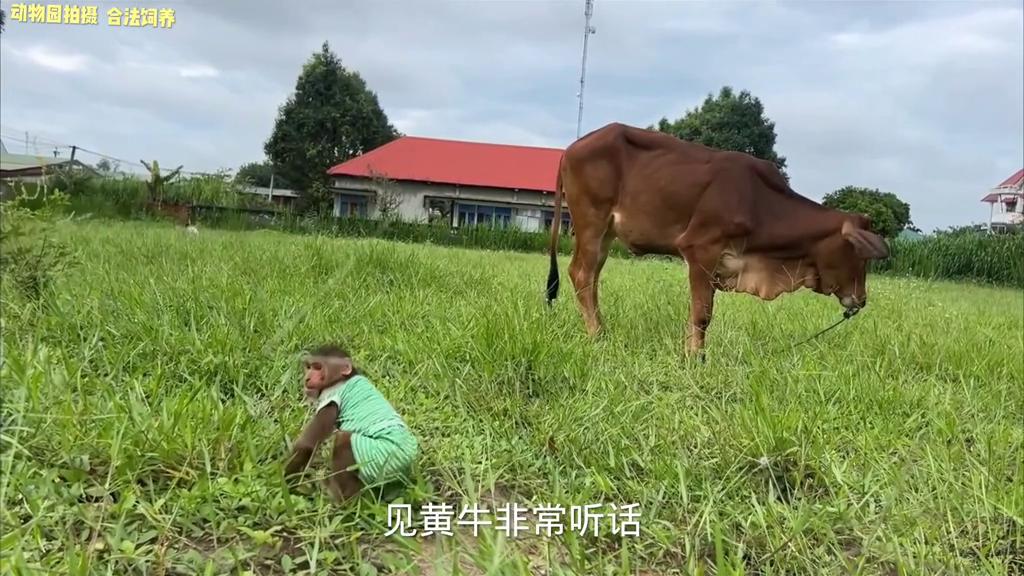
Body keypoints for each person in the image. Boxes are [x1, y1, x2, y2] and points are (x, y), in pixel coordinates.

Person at [284, 344, 418, 501]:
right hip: (405, 450)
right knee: (347, 446)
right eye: (308, 368)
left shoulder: (335, 392)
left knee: (344, 442)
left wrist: (285, 480)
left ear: (345, 368)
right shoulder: (358, 386)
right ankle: (378, 490)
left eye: (318, 367)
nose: (308, 376)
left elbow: (307, 445)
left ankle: (347, 500)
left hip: (387, 450)